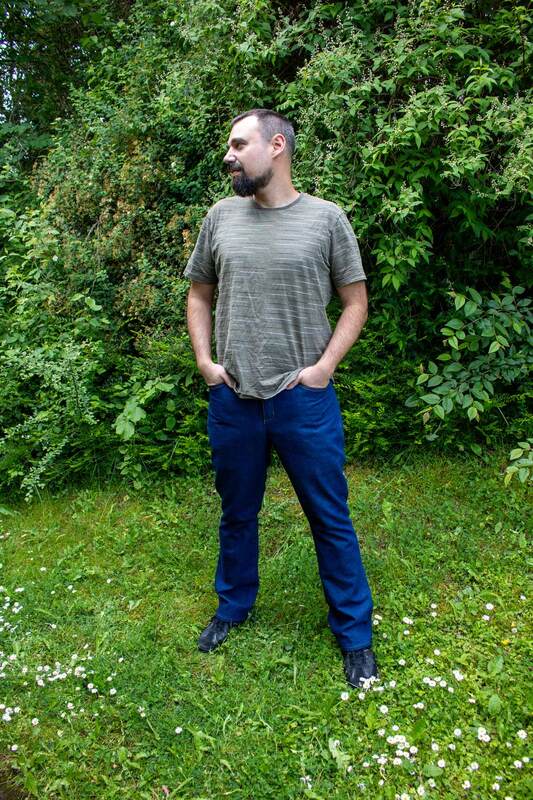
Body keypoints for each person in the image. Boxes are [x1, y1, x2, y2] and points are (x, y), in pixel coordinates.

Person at [183, 108, 379, 688]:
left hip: (303, 399)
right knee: (237, 512)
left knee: (330, 516)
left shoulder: (326, 219)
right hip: (233, 397)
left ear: (276, 146)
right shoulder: (220, 218)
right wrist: (206, 363)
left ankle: (355, 635)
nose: (228, 156)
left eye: (238, 144)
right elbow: (199, 295)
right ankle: (233, 606)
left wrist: (323, 369)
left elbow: (356, 303)